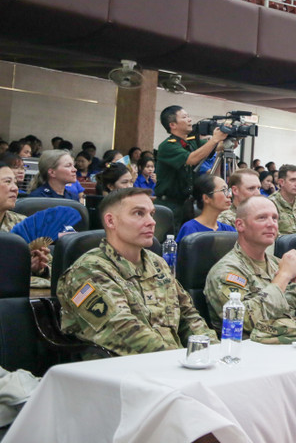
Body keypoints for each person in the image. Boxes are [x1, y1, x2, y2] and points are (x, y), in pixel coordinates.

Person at [58, 188, 217, 356]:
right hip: (121, 367)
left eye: (151, 214)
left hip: (172, 362)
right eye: (139, 213)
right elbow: (123, 331)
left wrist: (213, 353)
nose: (151, 222)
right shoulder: (88, 271)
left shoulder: (157, 263)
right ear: (111, 221)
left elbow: (188, 317)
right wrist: (178, 359)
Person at [204, 196, 296, 342]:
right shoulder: (226, 271)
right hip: (250, 350)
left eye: (275, 218)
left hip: (294, 344)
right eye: (262, 218)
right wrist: (283, 276)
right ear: (240, 225)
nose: (271, 224)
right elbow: (243, 321)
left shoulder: (279, 264)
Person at [155, 105, 227, 226]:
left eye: (188, 116)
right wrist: (214, 139)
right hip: (169, 205)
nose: (190, 119)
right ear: (173, 125)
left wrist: (231, 136)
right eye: (184, 117)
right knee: (170, 236)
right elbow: (191, 159)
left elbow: (218, 146)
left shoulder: (192, 142)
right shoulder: (167, 146)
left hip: (187, 204)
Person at [0, 162, 50, 275]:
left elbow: (53, 268)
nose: (15, 188)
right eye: (7, 182)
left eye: (15, 183)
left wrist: (39, 269)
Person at [175, 174, 237, 242]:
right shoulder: (190, 229)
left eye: (228, 190)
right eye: (223, 190)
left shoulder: (229, 230)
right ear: (206, 198)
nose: (229, 195)